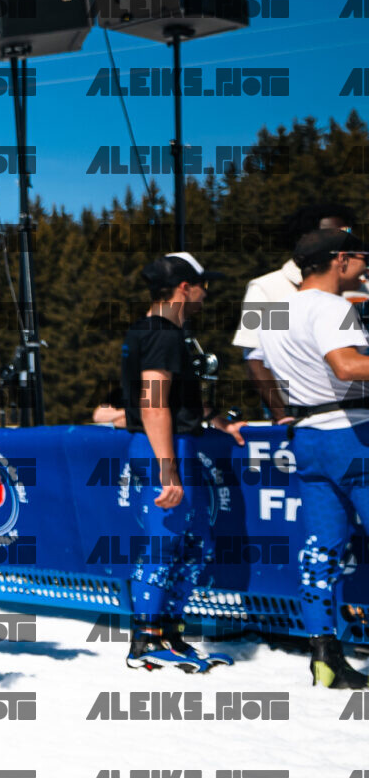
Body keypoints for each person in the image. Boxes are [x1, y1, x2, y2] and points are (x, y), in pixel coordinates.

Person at [253, 228, 369, 690]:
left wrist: (281, 409)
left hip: (307, 435)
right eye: (362, 256)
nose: (365, 265)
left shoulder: (273, 310)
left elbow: (258, 364)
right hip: (352, 434)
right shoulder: (332, 306)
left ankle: (324, 657)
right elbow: (346, 365)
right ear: (340, 259)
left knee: (321, 549)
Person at [116, 252, 233, 672]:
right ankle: (146, 641)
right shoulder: (161, 332)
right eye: (203, 285)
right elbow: (153, 403)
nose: (206, 294)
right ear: (185, 287)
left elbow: (170, 398)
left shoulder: (159, 331)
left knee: (194, 543)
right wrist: (168, 469)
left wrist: (215, 418)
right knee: (165, 544)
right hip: (162, 449)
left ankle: (169, 634)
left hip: (170, 444)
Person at [235, 201, 353, 425]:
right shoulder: (266, 288)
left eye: (347, 233)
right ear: (306, 238)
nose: (345, 240)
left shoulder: (360, 286)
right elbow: (255, 360)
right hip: (303, 420)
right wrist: (283, 416)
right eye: (334, 234)